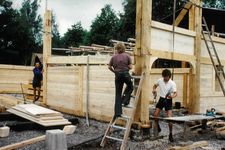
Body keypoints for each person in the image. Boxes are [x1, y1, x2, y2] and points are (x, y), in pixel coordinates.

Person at [108, 43, 133, 119]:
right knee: (130, 86)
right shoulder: (127, 56)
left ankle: (118, 113)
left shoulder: (113, 57)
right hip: (125, 74)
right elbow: (130, 67)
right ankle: (125, 100)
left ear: (117, 48)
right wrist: (127, 68)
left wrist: (115, 71)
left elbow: (109, 67)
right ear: (123, 48)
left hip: (117, 75)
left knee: (118, 94)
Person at [152, 69, 177, 142]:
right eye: (164, 77)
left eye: (166, 77)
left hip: (168, 100)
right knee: (155, 115)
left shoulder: (172, 83)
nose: (165, 78)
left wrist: (171, 96)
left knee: (170, 118)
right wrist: (154, 90)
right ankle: (158, 127)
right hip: (161, 99)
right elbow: (154, 86)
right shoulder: (160, 80)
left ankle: (170, 134)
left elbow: (175, 93)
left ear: (169, 76)